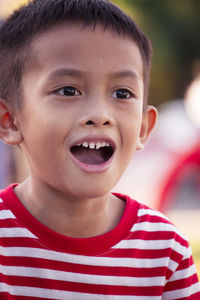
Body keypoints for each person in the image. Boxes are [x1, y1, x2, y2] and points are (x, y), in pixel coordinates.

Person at [0, 0, 199, 298]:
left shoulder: (166, 252)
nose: (100, 113)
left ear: (144, 128)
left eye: (122, 93)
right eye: (68, 90)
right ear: (11, 121)